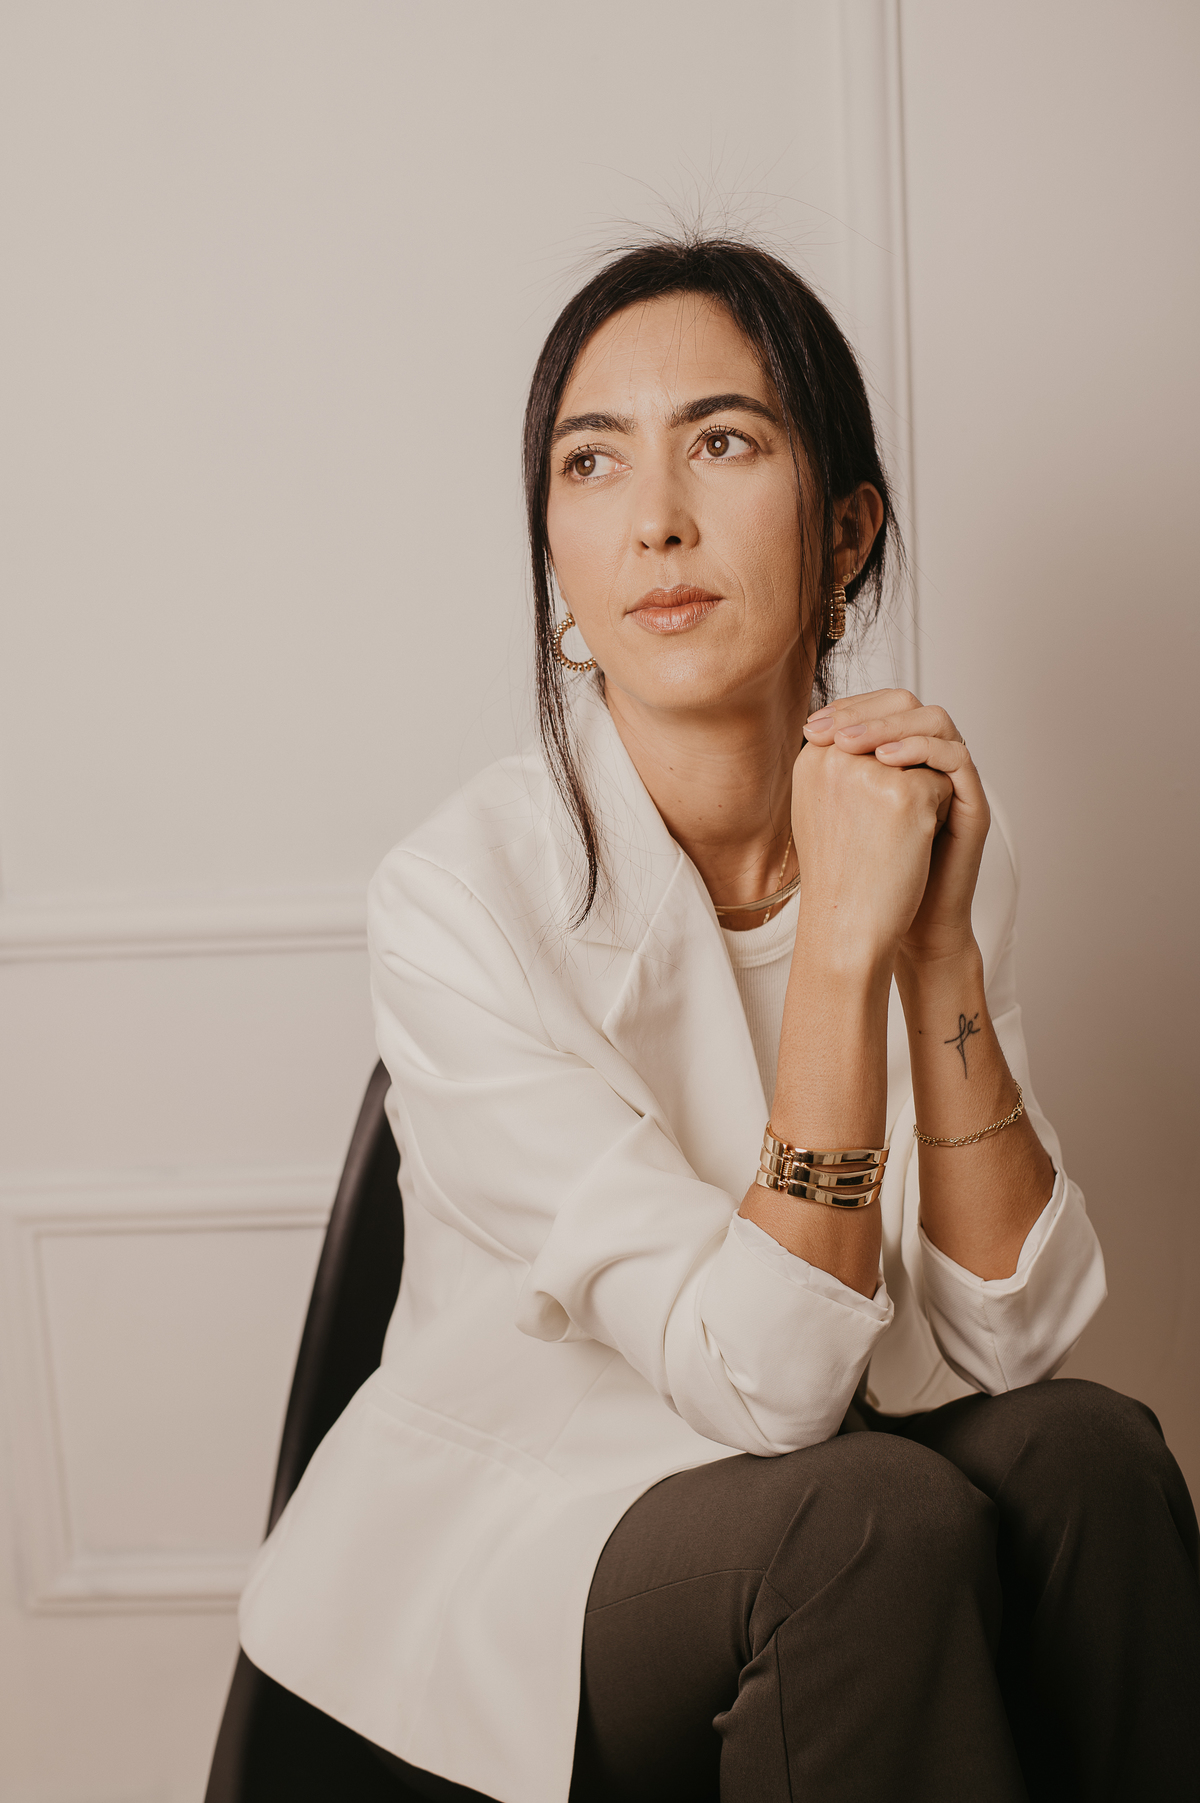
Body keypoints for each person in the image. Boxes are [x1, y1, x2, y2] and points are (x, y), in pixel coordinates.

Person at [237, 238, 1200, 1803]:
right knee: (867, 1525)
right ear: (558, 554)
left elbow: (1015, 1337)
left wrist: (937, 948)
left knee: (1091, 1455)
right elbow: (769, 1389)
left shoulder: (919, 820)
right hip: (538, 1526)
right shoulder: (459, 895)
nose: (656, 518)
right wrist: (838, 954)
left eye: (725, 441)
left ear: (847, 530)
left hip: (837, 1459)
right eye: (592, 461)